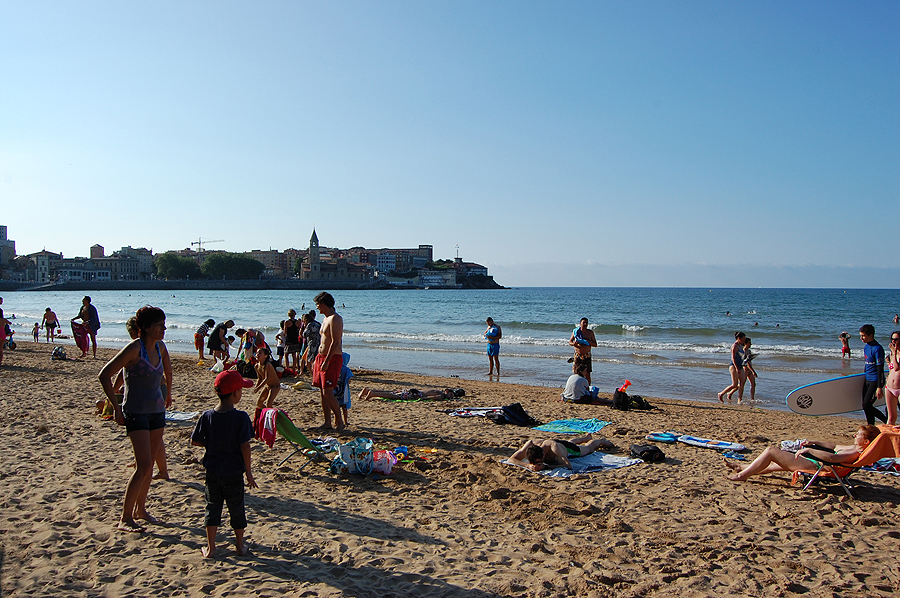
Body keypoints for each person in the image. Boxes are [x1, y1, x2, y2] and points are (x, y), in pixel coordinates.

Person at [97, 306, 172, 532]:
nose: (164, 328)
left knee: (149, 465)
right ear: (146, 328)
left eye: (164, 323)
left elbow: (168, 373)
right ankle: (125, 518)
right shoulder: (133, 349)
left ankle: (141, 509)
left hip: (156, 411)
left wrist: (168, 394)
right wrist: (116, 406)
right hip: (136, 412)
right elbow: (104, 375)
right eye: (159, 324)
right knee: (143, 465)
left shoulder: (160, 347)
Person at [190, 370, 257, 558]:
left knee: (212, 506)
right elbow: (245, 446)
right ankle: (240, 545)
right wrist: (249, 473)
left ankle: (211, 548)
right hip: (234, 471)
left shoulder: (207, 416)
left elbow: (195, 441)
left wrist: (212, 443)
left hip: (213, 470)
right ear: (235, 393)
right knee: (236, 508)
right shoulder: (240, 417)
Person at [724, 425, 881, 481]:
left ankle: (741, 476)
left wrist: (809, 450)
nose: (854, 436)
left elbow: (832, 457)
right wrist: (816, 443)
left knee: (771, 451)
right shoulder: (855, 448)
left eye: (858, 435)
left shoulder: (855, 454)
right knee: (774, 464)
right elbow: (833, 446)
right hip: (818, 463)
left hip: (819, 466)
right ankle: (742, 467)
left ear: (866, 442)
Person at [312, 292, 344, 430]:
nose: (317, 308)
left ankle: (340, 421)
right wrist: (317, 359)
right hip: (321, 356)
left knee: (328, 392)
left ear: (324, 304)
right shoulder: (325, 319)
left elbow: (335, 342)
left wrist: (327, 361)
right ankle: (327, 422)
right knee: (322, 391)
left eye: (318, 305)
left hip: (332, 357)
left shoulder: (335, 318)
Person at [508, 434, 615, 472]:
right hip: (557, 443)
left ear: (544, 455)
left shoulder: (554, 448)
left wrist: (546, 467)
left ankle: (601, 440)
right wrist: (527, 465)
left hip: (565, 448)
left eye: (538, 462)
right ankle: (586, 437)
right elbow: (511, 459)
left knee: (587, 449)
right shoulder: (530, 445)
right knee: (570, 442)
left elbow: (568, 465)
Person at [859, 324, 887, 424]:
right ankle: (871, 427)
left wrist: (879, 387)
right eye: (861, 335)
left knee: (866, 405)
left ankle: (886, 421)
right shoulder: (866, 347)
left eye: (864, 336)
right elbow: (866, 364)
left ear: (871, 336)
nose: (861, 338)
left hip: (875, 380)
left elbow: (880, 369)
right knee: (866, 406)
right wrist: (863, 376)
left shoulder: (878, 348)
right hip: (867, 379)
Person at [718, 331, 746, 403]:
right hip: (734, 366)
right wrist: (737, 368)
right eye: (743, 339)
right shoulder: (734, 346)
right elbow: (733, 358)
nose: (744, 341)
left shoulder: (741, 346)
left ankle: (740, 399)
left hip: (740, 366)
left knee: (742, 383)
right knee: (734, 384)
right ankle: (721, 393)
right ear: (739, 338)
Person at [569, 317, 598, 384]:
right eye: (583, 322)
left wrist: (588, 342)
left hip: (586, 355)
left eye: (586, 323)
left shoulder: (590, 333)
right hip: (578, 354)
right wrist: (574, 343)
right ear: (580, 323)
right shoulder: (576, 331)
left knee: (587, 373)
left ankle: (588, 388)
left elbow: (595, 344)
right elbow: (570, 342)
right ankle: (576, 386)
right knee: (576, 372)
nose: (585, 324)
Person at [737, 337, 758, 403]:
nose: (750, 344)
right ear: (745, 343)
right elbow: (747, 362)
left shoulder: (749, 351)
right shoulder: (743, 351)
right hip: (745, 369)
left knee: (753, 384)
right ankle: (739, 399)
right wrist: (753, 371)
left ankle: (752, 398)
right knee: (742, 384)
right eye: (749, 343)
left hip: (749, 369)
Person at [886, 331, 900, 426]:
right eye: (892, 339)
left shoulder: (894, 353)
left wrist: (894, 352)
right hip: (890, 387)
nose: (894, 341)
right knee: (891, 417)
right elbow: (892, 369)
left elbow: (897, 367)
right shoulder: (892, 354)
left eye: (896, 339)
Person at [357, 387, 455, 401]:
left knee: (391, 393)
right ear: (446, 391)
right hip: (414, 395)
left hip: (412, 391)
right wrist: (421, 399)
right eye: (451, 395)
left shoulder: (435, 389)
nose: (450, 397)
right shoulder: (441, 395)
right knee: (392, 396)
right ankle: (372, 394)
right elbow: (434, 397)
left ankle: (367, 391)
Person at [301, 311, 321, 376]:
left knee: (310, 361)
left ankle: (314, 375)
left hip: (312, 344)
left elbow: (304, 334)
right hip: (319, 342)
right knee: (313, 360)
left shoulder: (309, 325)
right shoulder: (318, 324)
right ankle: (315, 374)